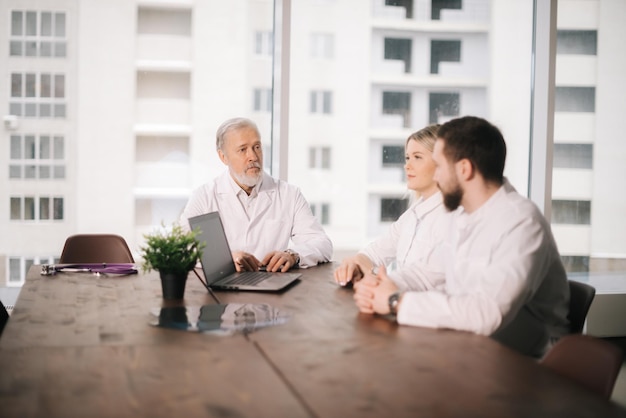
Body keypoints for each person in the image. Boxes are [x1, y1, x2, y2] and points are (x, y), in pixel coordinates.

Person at [353, 116, 570, 357]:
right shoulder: (463, 216)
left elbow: (487, 313)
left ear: (464, 169)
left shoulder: (521, 222)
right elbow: (428, 271)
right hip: (472, 347)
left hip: (529, 363)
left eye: (440, 166)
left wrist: (396, 302)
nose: (436, 177)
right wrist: (386, 286)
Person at [180, 117, 332, 272]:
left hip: (272, 285)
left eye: (257, 147)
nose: (253, 156)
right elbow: (181, 247)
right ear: (223, 157)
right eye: (243, 149)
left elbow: (321, 243)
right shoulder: (204, 197)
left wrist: (293, 255)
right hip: (222, 289)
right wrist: (224, 259)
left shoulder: (289, 194)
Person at [333, 125, 448, 288]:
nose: (407, 165)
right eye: (407, 158)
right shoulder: (412, 215)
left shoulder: (451, 218)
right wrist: (355, 264)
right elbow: (374, 253)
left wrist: (378, 280)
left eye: (417, 157)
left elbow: (428, 283)